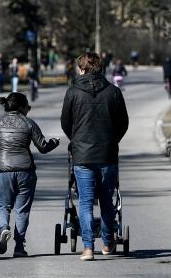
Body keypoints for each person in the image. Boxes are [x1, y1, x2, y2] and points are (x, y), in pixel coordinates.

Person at [61, 52, 129, 261]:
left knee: (86, 203)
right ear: (100, 68)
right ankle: (108, 243)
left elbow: (66, 123)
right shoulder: (113, 92)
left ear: (81, 69)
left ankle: (88, 248)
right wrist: (112, 140)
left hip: (82, 156)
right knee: (107, 202)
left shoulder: (73, 92)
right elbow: (123, 123)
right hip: (107, 154)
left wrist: (77, 140)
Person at [0, 92, 60, 257]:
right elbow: (43, 147)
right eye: (28, 107)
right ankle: (19, 247)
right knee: (22, 210)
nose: (29, 110)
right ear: (22, 107)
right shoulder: (29, 123)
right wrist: (54, 142)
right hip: (26, 171)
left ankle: (4, 229)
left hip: (3, 171)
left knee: (2, 205)